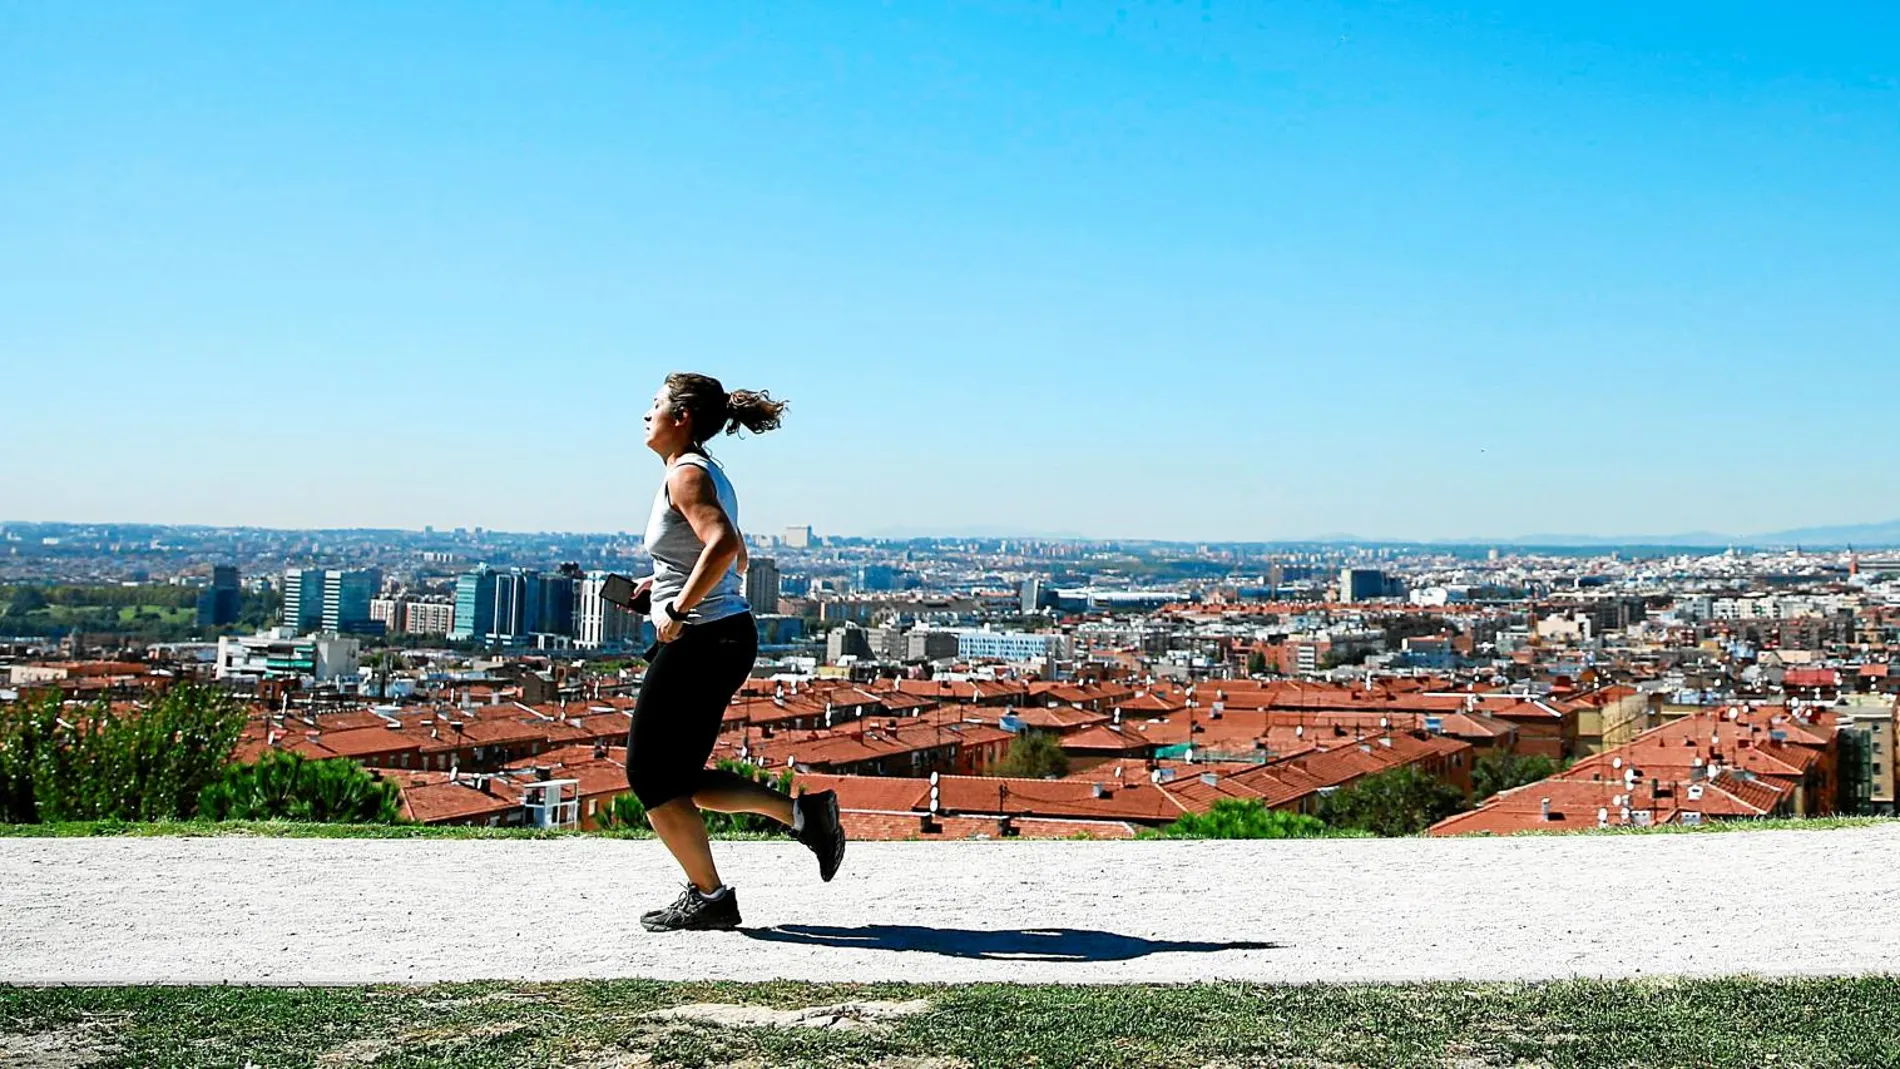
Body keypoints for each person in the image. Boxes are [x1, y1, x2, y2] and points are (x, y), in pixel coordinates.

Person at [627, 372, 847, 933]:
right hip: (720, 634)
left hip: (703, 638)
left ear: (681, 419)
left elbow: (725, 546)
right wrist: (665, 583)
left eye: (654, 405)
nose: (644, 414)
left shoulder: (687, 474)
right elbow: (737, 556)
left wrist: (677, 610)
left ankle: (712, 898)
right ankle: (805, 816)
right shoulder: (704, 472)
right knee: (675, 778)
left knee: (651, 779)